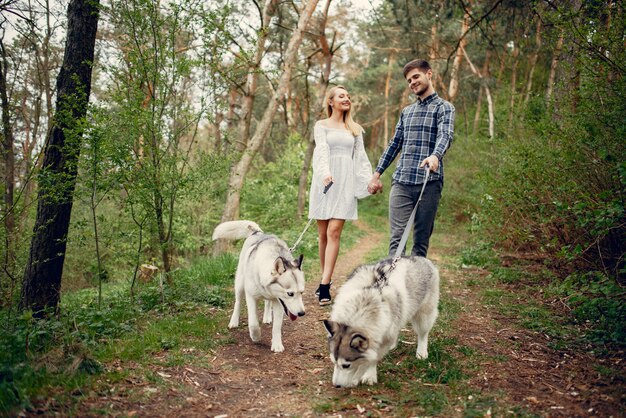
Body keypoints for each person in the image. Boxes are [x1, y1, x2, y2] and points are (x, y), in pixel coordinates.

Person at [368, 59, 455, 257]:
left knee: (421, 242)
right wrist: (376, 174)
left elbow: (446, 135)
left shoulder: (445, 108)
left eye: (416, 77)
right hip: (402, 183)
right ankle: (393, 285)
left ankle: (416, 286)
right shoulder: (406, 112)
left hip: (429, 183)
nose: (412, 82)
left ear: (429, 74)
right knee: (397, 239)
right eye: (409, 80)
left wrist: (435, 155)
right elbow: (394, 144)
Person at [309, 85, 373, 306]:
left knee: (334, 231)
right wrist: (325, 173)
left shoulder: (354, 129)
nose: (346, 99)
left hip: (345, 183)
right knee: (323, 234)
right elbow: (321, 152)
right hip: (324, 183)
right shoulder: (321, 126)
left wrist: (370, 181)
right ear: (330, 101)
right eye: (341, 96)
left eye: (348, 96)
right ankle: (323, 277)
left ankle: (325, 285)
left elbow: (361, 158)